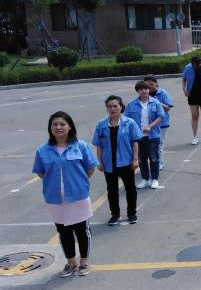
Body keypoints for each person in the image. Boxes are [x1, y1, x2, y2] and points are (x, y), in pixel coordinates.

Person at [33, 111, 98, 277]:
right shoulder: (42, 150)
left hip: (78, 197)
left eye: (62, 124)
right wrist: (54, 184)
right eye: (55, 124)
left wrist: (79, 183)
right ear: (50, 128)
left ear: (70, 127)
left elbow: (90, 168)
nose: (58, 127)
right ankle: (71, 262)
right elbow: (40, 172)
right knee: (63, 231)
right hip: (55, 199)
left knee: (82, 230)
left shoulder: (80, 146)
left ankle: (84, 261)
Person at [92, 96, 142, 225]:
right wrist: (99, 162)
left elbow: (135, 142)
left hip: (126, 162)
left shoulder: (129, 123)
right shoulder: (101, 125)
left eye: (115, 106)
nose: (112, 109)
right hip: (109, 164)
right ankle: (115, 215)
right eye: (110, 106)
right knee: (112, 191)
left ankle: (132, 214)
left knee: (130, 189)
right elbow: (99, 145)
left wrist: (135, 159)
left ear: (121, 107)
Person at [125, 80, 165, 190]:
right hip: (138, 137)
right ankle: (145, 179)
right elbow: (127, 119)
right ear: (137, 91)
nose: (144, 91)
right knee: (141, 159)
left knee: (153, 158)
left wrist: (150, 126)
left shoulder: (155, 103)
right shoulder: (131, 104)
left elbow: (161, 116)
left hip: (153, 136)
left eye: (146, 88)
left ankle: (155, 179)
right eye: (141, 89)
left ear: (149, 90)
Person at [144, 75, 173, 170]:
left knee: (159, 144)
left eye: (151, 84)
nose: (149, 87)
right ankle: (153, 161)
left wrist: (157, 102)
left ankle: (159, 163)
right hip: (149, 124)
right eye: (147, 85)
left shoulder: (162, 93)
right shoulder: (144, 94)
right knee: (149, 144)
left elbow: (168, 108)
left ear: (156, 83)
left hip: (161, 123)